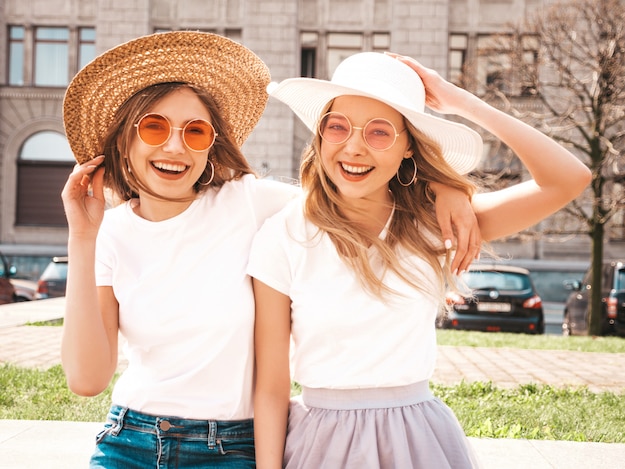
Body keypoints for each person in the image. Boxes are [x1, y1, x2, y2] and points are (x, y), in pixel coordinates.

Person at [60, 32, 480, 468]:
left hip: (229, 447)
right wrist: (82, 238)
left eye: (195, 131)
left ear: (212, 146)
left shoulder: (250, 203)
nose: (174, 146)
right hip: (129, 441)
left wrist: (443, 186)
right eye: (154, 126)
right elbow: (87, 380)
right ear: (125, 142)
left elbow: (352, 189)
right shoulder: (107, 235)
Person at [248, 52, 592, 468]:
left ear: (408, 146)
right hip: (322, 442)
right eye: (336, 127)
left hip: (416, 440)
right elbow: (270, 386)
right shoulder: (284, 233)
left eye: (379, 133)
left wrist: (462, 102)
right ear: (319, 136)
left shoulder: (436, 224)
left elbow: (568, 178)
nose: (353, 147)